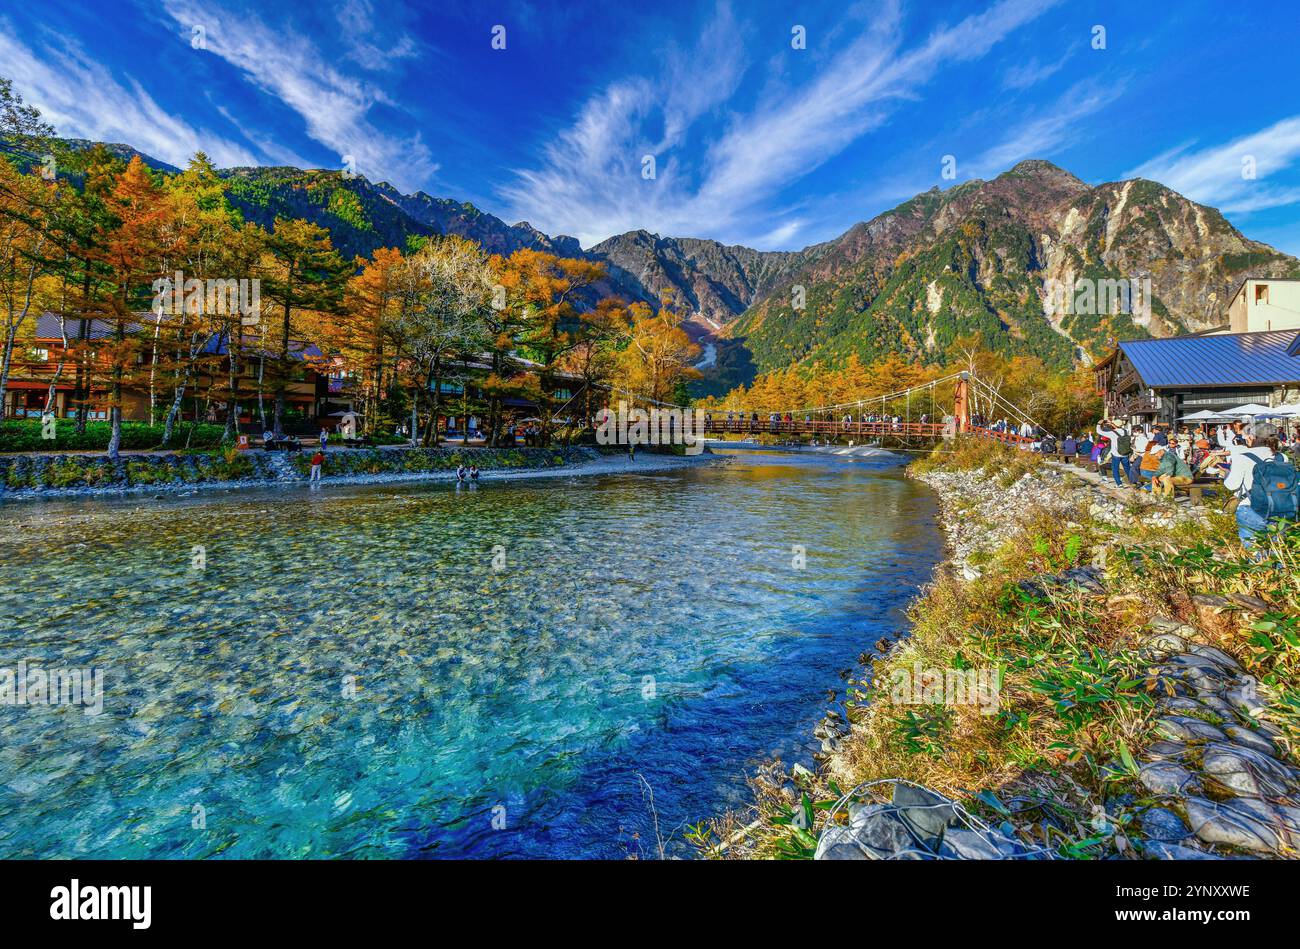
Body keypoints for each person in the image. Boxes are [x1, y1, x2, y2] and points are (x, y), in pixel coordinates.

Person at [1224, 422, 1283, 546]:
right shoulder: (1282, 457)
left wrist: (1226, 473)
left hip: (1251, 508)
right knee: (1278, 552)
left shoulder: (1243, 457)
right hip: (1280, 509)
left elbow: (1232, 485)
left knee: (1255, 553)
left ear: (1253, 437)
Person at [1097, 420, 1134, 487]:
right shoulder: (1126, 431)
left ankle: (1119, 484)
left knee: (1115, 469)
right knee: (1128, 469)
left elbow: (1099, 431)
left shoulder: (1112, 433)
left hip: (1116, 454)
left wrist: (1099, 424)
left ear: (1114, 425)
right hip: (1125, 453)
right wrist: (1112, 423)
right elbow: (1119, 427)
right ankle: (1132, 482)